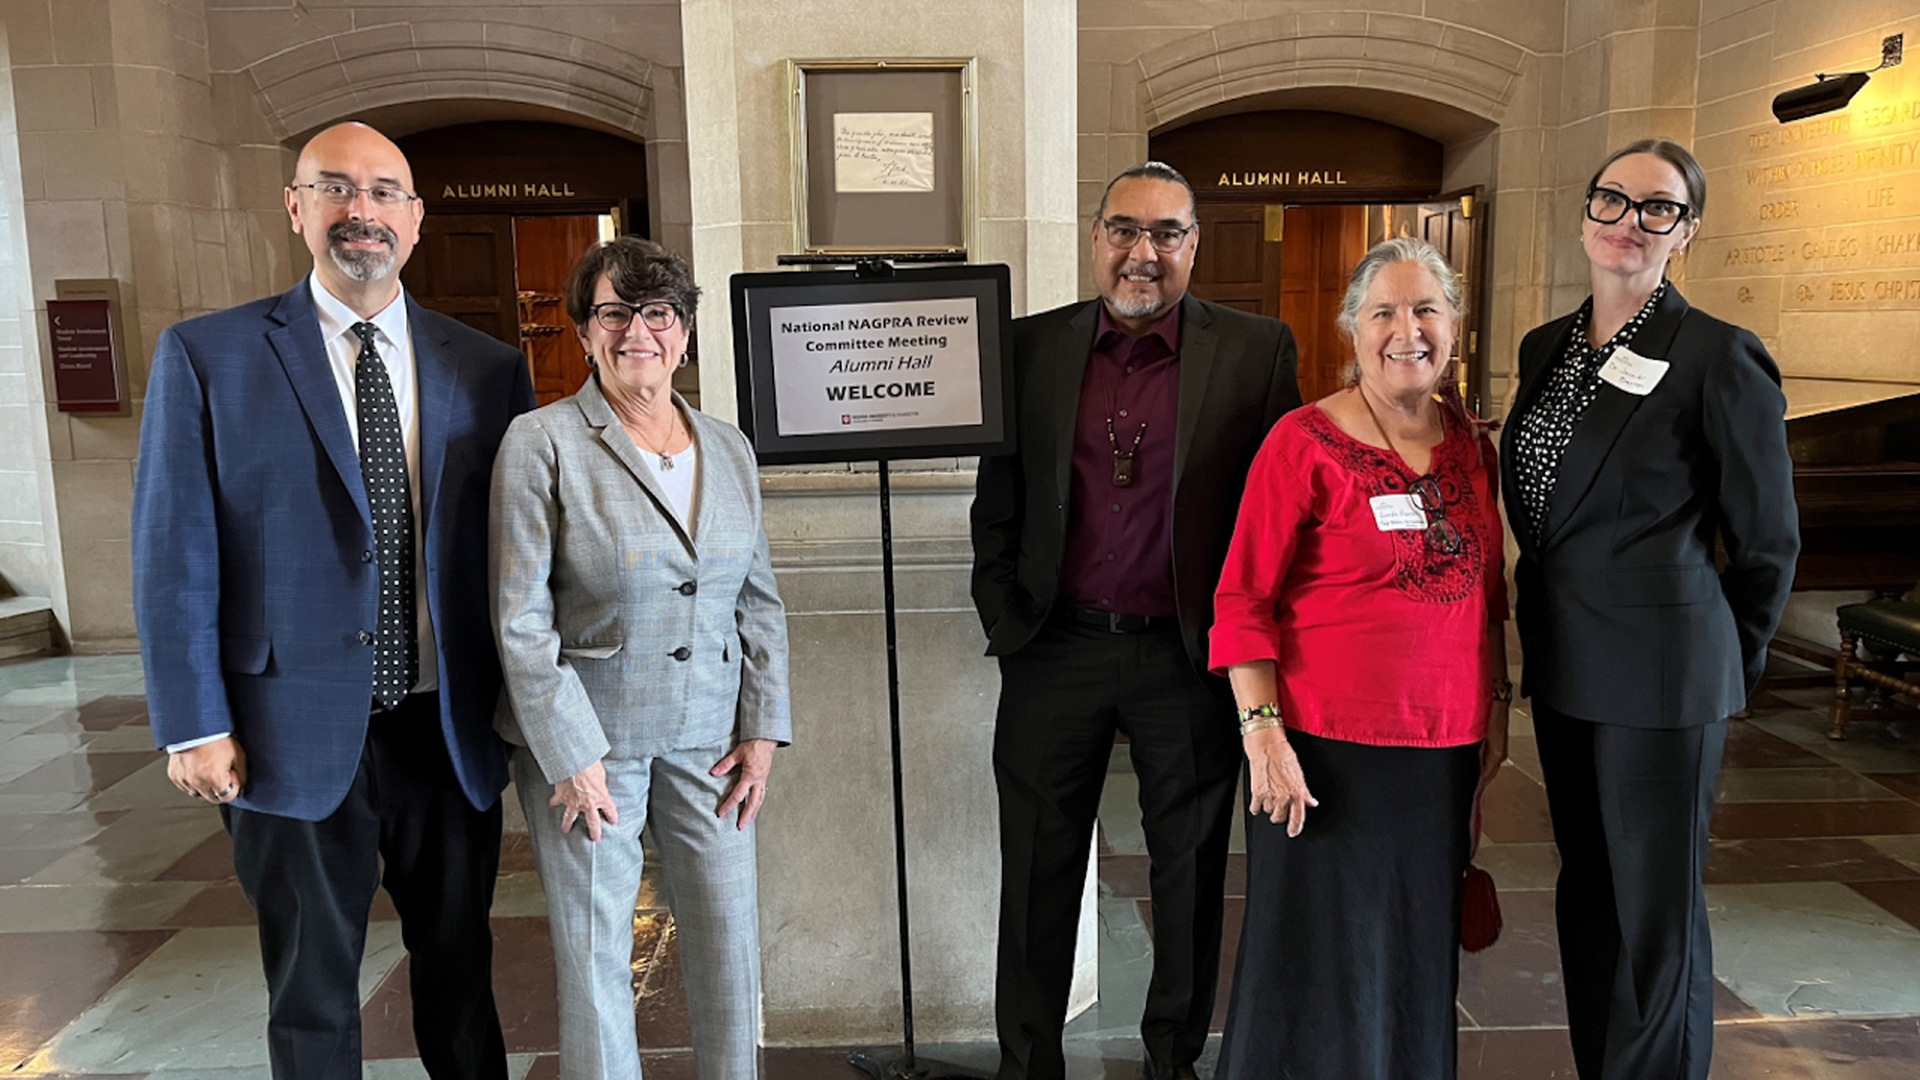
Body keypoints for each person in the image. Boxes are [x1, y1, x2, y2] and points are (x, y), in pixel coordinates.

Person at [132, 122, 535, 1080]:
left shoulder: (487, 368)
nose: (364, 212)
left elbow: (523, 551)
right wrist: (192, 722)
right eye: (338, 189)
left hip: (446, 729)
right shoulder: (208, 356)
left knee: (463, 979)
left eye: (386, 192)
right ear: (297, 208)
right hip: (286, 729)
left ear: (418, 217)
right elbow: (173, 551)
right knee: (311, 992)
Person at [970, 161, 1301, 1080]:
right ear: (1095, 239)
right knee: (1036, 871)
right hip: (1055, 647)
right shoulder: (1027, 348)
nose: (1142, 254)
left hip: (1187, 657)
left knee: (1189, 875)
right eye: (1124, 230)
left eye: (1166, 234)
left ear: (1194, 244)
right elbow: (997, 502)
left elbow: (1276, 517)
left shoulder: (1256, 349)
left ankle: (1172, 1063)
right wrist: (1006, 618)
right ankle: (1027, 1062)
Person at [1503, 139, 1799, 1080]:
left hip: (1666, 677)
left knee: (1655, 917)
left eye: (1657, 208)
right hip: (1565, 666)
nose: (1629, 221)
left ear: (1687, 232)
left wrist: (1724, 666)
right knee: (1588, 895)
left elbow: (1768, 542)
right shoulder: (1545, 347)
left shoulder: (1717, 354)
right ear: (1586, 211)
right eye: (1613, 199)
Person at [491, 236, 791, 1080]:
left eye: (657, 313)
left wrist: (763, 730)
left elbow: (758, 599)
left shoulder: (727, 446)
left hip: (714, 741)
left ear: (685, 332)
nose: (638, 333)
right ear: (585, 331)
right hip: (591, 748)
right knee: (596, 965)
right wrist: (570, 755)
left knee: (729, 946)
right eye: (614, 313)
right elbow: (519, 618)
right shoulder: (541, 442)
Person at [1209, 237, 1509, 1080]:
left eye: (1426, 310)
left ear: (1453, 326)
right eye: (1384, 312)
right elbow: (1241, 600)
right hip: (1322, 753)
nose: (1406, 330)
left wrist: (1497, 712)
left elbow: (1490, 598)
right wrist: (1261, 733)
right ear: (1352, 331)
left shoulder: (1472, 448)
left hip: (1442, 753)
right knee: (1315, 962)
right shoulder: (1301, 442)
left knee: (1415, 958)